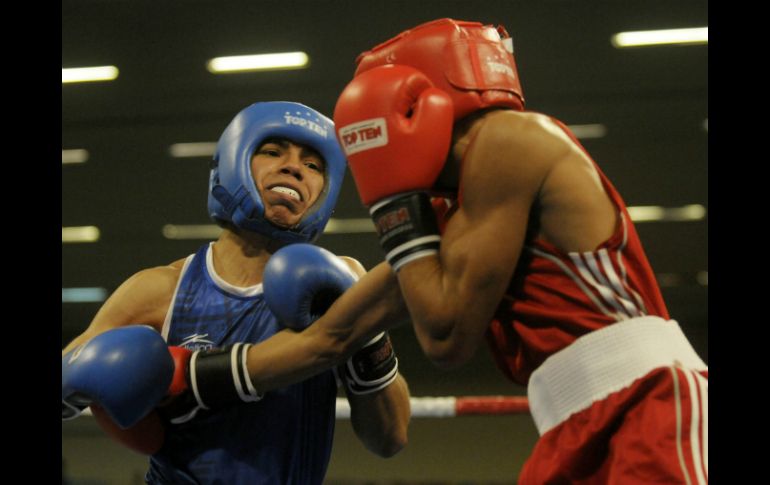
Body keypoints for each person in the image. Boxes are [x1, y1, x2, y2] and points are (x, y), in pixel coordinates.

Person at [333, 18, 708, 484]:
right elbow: (332, 334)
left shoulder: (509, 140)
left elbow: (444, 336)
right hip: (569, 424)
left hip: (647, 401)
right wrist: (222, 372)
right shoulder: (457, 220)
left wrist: (392, 204)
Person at [61, 101, 411, 484]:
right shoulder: (162, 288)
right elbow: (71, 372)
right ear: (233, 160)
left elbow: (389, 438)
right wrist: (87, 377)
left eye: (313, 165)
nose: (294, 167)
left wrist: (366, 335)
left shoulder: (342, 279)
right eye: (273, 151)